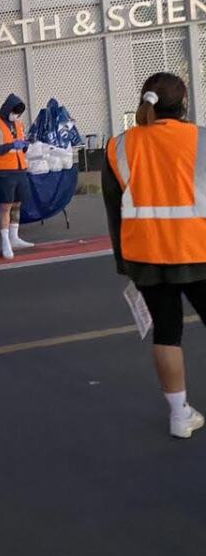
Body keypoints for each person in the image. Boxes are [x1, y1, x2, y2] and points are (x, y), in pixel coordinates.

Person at [103, 72, 206, 439]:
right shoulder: (200, 139)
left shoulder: (118, 147)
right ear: (183, 102)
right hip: (199, 250)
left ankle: (180, 416)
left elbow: (114, 211)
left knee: (166, 332)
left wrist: (124, 263)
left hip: (146, 255)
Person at [0, 94, 35, 260]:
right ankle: (5, 241)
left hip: (20, 169)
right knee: (6, 205)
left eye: (18, 114)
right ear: (7, 109)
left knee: (18, 203)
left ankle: (14, 237)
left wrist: (25, 145)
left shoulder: (18, 124)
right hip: (4, 171)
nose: (16, 116)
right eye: (14, 112)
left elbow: (21, 147)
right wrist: (11, 145)